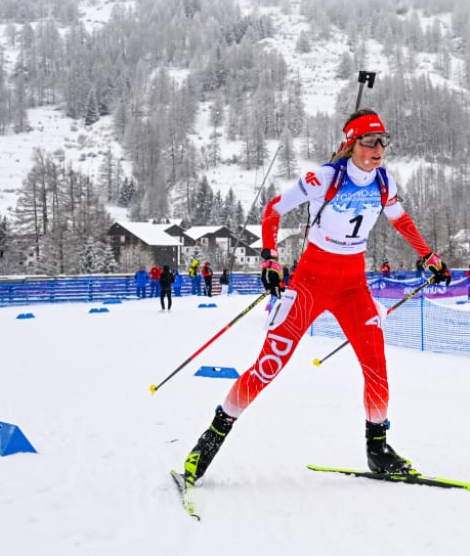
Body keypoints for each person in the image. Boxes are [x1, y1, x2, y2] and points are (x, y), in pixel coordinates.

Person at [177, 107, 449, 486]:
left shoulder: (384, 183)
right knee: (268, 367)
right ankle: (209, 440)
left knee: (377, 368)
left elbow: (401, 220)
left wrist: (429, 255)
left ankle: (378, 450)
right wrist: (270, 259)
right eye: (369, 141)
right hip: (310, 283)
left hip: (353, 288)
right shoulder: (325, 178)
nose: (378, 148)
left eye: (383, 141)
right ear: (351, 144)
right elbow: (273, 209)